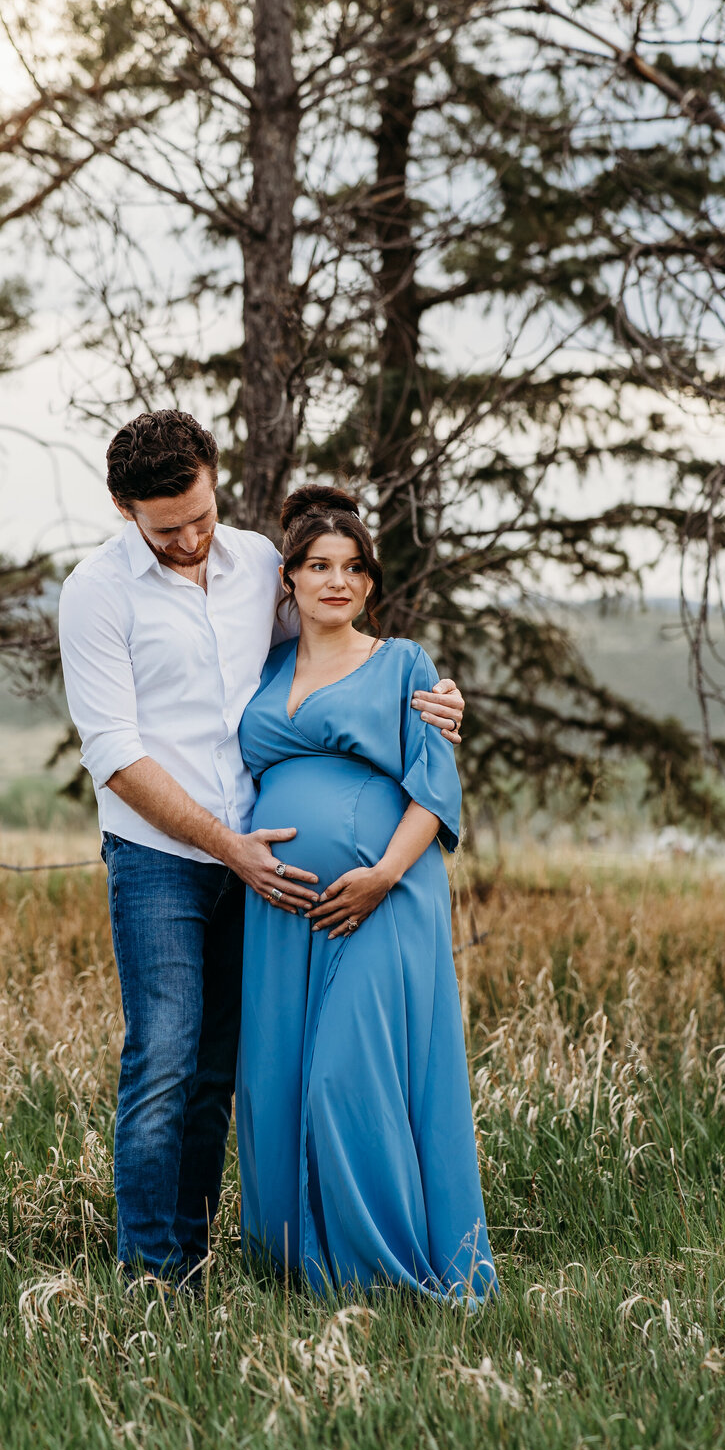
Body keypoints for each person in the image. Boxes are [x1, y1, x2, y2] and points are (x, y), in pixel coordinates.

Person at [58, 411, 466, 1284]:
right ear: (125, 508)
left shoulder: (253, 566)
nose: (191, 539)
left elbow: (333, 656)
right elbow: (114, 753)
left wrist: (433, 699)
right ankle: (150, 1278)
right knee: (164, 1056)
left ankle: (195, 1260)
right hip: (162, 858)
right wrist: (226, 846)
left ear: (213, 480)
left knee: (222, 1072)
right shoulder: (97, 592)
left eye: (201, 516)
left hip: (264, 870)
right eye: (168, 528)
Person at [236, 485, 496, 1301]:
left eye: (352, 568)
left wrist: (383, 874)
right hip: (280, 909)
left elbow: (435, 788)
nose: (336, 581)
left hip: (384, 896)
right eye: (318, 565)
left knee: (350, 1077)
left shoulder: (404, 664)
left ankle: (379, 1274)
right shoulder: (263, 665)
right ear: (291, 578)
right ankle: (291, 1261)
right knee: (278, 1075)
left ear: (370, 583)